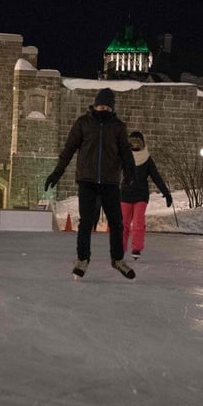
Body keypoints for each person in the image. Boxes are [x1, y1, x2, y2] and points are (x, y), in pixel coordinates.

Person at [45, 88, 137, 280]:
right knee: (86, 222)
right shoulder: (83, 123)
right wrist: (57, 173)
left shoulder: (118, 127)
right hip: (87, 180)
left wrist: (130, 173)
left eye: (107, 106)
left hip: (110, 181)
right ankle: (82, 259)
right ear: (95, 105)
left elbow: (126, 152)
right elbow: (69, 149)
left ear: (112, 108)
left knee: (116, 223)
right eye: (100, 105)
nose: (103, 108)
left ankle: (118, 259)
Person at [120, 131, 172, 260]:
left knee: (138, 222)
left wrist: (166, 193)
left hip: (141, 195)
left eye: (138, 142)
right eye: (132, 142)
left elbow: (156, 176)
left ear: (142, 143)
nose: (135, 145)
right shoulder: (125, 157)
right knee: (123, 223)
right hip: (126, 194)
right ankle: (120, 248)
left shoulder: (147, 159)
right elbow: (113, 171)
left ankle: (136, 247)